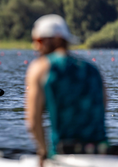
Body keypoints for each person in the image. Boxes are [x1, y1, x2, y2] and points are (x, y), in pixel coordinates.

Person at [25, 14, 109, 167]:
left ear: (57, 39)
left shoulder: (40, 68)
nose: (35, 47)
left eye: (39, 41)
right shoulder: (93, 69)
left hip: (64, 153)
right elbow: (102, 107)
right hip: (104, 153)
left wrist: (44, 153)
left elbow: (32, 123)